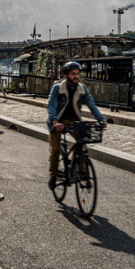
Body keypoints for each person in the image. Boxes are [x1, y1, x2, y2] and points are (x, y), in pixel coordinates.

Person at [46, 61, 106, 190]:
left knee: (82, 145)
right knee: (55, 149)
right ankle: (53, 175)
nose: (76, 76)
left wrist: (101, 119)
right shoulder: (57, 88)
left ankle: (83, 173)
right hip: (58, 122)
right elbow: (51, 105)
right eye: (73, 74)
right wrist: (55, 121)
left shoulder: (82, 88)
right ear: (67, 75)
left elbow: (91, 105)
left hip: (74, 121)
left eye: (78, 74)